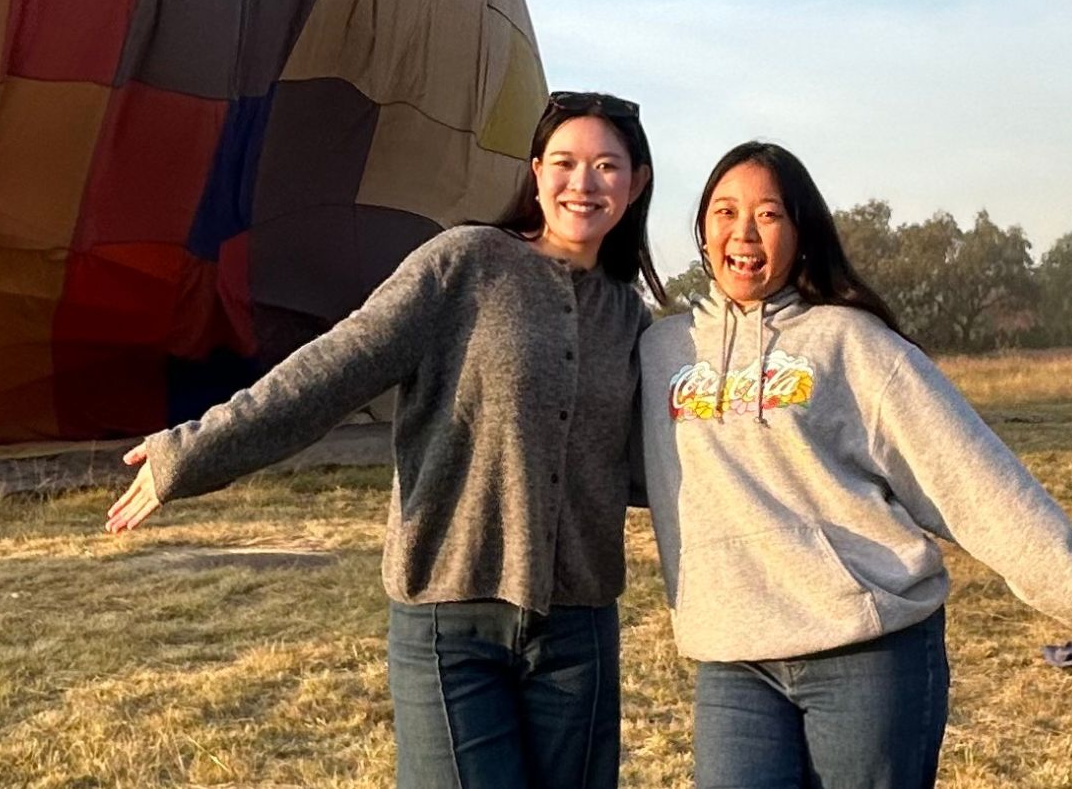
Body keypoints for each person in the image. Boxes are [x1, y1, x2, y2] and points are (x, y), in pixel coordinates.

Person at [106, 90, 658, 789]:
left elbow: (666, 461)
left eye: (606, 166)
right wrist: (193, 452)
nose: (583, 183)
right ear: (536, 172)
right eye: (565, 162)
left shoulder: (631, 320)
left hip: (578, 633)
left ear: (636, 182)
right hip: (450, 620)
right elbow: (336, 366)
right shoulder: (464, 264)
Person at [639, 141, 1072, 789]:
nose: (743, 232)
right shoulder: (662, 352)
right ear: (702, 229)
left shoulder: (852, 344)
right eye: (724, 211)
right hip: (734, 661)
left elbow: (978, 488)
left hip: (865, 653)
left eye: (768, 214)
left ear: (801, 235)